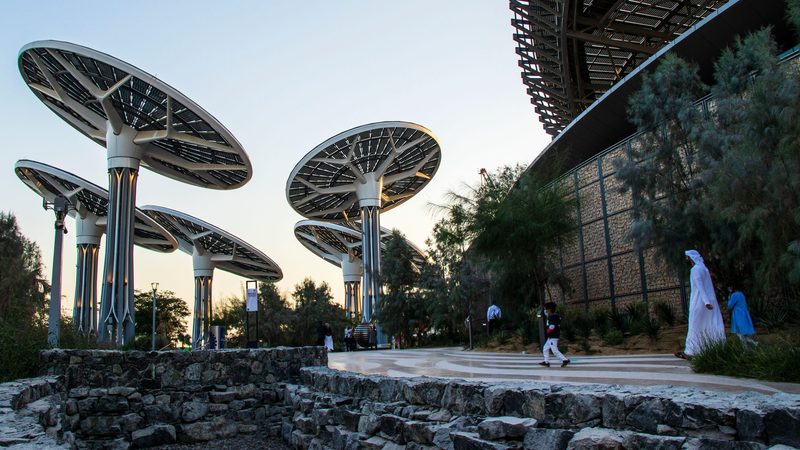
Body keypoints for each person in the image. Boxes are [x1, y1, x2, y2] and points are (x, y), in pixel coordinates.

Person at [676, 250, 726, 359]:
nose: (686, 260)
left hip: (700, 301)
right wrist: (708, 301)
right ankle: (715, 347)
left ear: (691, 258)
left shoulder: (695, 270)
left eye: (687, 257)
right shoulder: (705, 269)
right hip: (710, 301)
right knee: (711, 324)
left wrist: (706, 302)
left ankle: (691, 351)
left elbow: (700, 286)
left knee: (694, 325)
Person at [538, 302, 570, 368]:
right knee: (545, 348)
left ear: (549, 310)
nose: (545, 311)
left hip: (553, 336)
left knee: (554, 350)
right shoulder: (554, 316)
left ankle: (565, 360)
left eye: (546, 310)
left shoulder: (552, 317)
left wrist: (548, 331)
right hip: (552, 336)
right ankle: (546, 362)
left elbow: (552, 326)